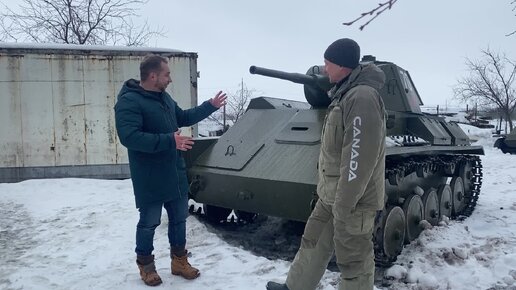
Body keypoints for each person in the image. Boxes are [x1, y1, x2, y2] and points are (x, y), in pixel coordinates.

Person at [266, 38, 386, 290]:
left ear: (342, 66)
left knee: (354, 260)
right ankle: (295, 286)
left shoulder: (361, 97)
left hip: (352, 199)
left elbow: (359, 158)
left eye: (327, 63)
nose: (323, 69)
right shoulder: (344, 93)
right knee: (313, 242)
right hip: (331, 194)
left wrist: (344, 204)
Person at [114, 54, 227, 286]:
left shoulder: (163, 98)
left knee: (179, 219)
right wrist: (170, 141)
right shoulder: (129, 101)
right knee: (149, 223)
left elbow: (183, 117)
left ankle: (179, 261)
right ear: (153, 75)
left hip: (174, 173)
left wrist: (210, 106)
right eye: (167, 74)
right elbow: (130, 137)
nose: (170, 79)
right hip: (150, 177)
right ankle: (146, 266)